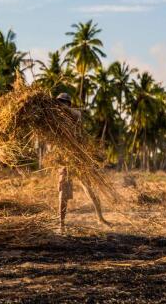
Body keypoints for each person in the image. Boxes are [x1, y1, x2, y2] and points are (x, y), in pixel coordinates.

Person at [54, 93, 111, 229]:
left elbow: (76, 114)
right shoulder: (55, 120)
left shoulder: (75, 115)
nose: (61, 105)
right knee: (63, 192)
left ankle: (100, 217)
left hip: (78, 158)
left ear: (68, 104)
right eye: (59, 102)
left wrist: (60, 107)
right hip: (65, 160)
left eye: (63, 102)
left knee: (89, 188)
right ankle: (61, 224)